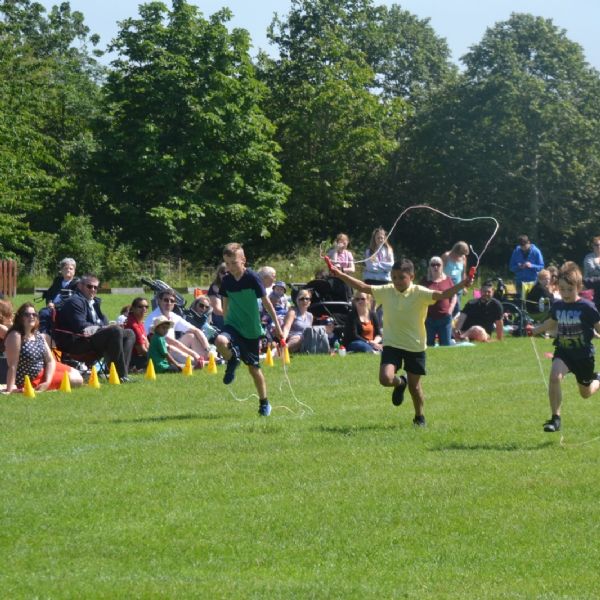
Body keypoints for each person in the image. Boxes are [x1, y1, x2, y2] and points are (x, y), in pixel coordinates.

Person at [330, 258, 472, 427]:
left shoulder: (420, 292)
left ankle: (419, 417)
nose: (397, 281)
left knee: (415, 388)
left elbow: (443, 295)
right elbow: (363, 286)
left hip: (415, 346)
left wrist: (463, 283)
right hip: (392, 344)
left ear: (411, 276)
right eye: (394, 277)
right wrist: (339, 274)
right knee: (385, 378)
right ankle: (400, 382)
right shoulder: (387, 290)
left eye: (401, 277)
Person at [214, 243, 284, 417]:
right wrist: (226, 325)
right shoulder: (227, 281)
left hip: (251, 330)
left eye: (234, 263)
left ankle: (264, 402)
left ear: (243, 260)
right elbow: (225, 304)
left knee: (254, 369)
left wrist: (277, 326)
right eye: (227, 264)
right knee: (220, 341)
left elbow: (267, 304)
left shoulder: (252, 278)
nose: (230, 267)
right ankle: (232, 361)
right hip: (232, 325)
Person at [531, 262, 600, 433]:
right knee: (555, 377)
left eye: (570, 289)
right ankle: (555, 419)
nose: (566, 293)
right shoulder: (558, 305)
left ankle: (598, 379)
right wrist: (535, 330)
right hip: (564, 352)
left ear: (578, 287)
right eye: (562, 289)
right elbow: (551, 323)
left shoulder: (587, 307)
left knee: (585, 393)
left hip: (583, 356)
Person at [54, 274, 136, 381]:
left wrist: (106, 326)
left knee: (129, 333)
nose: (93, 289)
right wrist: (104, 328)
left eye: (95, 287)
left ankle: (118, 373)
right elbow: (81, 326)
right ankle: (121, 376)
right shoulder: (75, 302)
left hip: (91, 338)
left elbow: (103, 321)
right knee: (115, 330)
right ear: (80, 286)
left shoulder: (94, 302)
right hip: (77, 342)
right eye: (89, 286)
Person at [5, 303, 83, 393]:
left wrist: (47, 381)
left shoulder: (37, 334)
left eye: (34, 314)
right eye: (27, 314)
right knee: (76, 380)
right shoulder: (16, 335)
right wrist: (10, 389)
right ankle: (44, 387)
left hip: (45, 369)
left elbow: (50, 360)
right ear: (20, 318)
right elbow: (12, 365)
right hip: (32, 378)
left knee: (76, 373)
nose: (31, 317)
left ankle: (50, 385)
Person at [144, 288, 209, 365]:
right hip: (159, 352)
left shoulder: (173, 316)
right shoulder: (154, 318)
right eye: (166, 300)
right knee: (170, 347)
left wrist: (207, 349)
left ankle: (208, 357)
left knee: (191, 336)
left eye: (172, 301)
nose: (169, 303)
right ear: (159, 301)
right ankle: (199, 361)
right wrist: (193, 353)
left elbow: (195, 330)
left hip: (172, 347)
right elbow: (169, 341)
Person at [39, 257, 79, 336]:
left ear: (74, 271)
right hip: (51, 307)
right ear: (61, 270)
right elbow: (49, 293)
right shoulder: (57, 280)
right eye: (66, 268)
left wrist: (55, 305)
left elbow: (71, 299)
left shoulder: (77, 284)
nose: (68, 270)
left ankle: (43, 336)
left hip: (65, 309)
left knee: (44, 313)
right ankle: (43, 334)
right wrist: (49, 302)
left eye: (71, 269)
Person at [421, 256, 456, 346]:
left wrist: (451, 309)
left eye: (438, 265)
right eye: (433, 265)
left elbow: (454, 296)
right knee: (428, 344)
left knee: (446, 344)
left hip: (445, 318)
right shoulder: (424, 281)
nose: (435, 267)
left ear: (442, 266)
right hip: (428, 318)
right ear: (429, 267)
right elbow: (419, 296)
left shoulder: (448, 280)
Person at [442, 241, 469, 316]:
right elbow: (440, 272)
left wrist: (464, 286)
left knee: (457, 310)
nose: (462, 255)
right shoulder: (446, 256)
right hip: (446, 288)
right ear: (455, 250)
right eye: (461, 253)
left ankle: (455, 322)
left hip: (458, 288)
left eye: (463, 254)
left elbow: (463, 273)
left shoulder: (463, 258)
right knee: (446, 310)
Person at [124, 297, 150, 371]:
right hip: (133, 360)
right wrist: (154, 356)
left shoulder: (140, 322)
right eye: (140, 307)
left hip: (140, 356)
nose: (144, 309)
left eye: (146, 307)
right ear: (133, 309)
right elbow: (140, 350)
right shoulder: (133, 325)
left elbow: (147, 344)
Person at [583, 235, 600, 313]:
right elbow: (592, 271)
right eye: (596, 245)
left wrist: (597, 266)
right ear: (593, 245)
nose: (598, 246)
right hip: (590, 286)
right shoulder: (588, 258)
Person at [207, 263, 227, 329]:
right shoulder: (215, 287)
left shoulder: (236, 286)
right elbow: (217, 310)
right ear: (219, 274)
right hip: (220, 318)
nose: (226, 274)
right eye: (223, 272)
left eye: (229, 272)